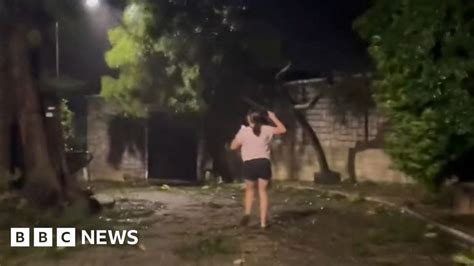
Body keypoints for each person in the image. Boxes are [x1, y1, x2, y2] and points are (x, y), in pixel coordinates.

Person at [230, 110, 287, 229]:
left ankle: (247, 213)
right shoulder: (266, 129)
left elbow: (233, 146)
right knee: (263, 192)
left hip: (249, 163)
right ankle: (263, 223)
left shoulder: (244, 131)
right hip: (263, 163)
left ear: (249, 120)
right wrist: (273, 117)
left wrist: (238, 135)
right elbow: (283, 130)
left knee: (249, 190)